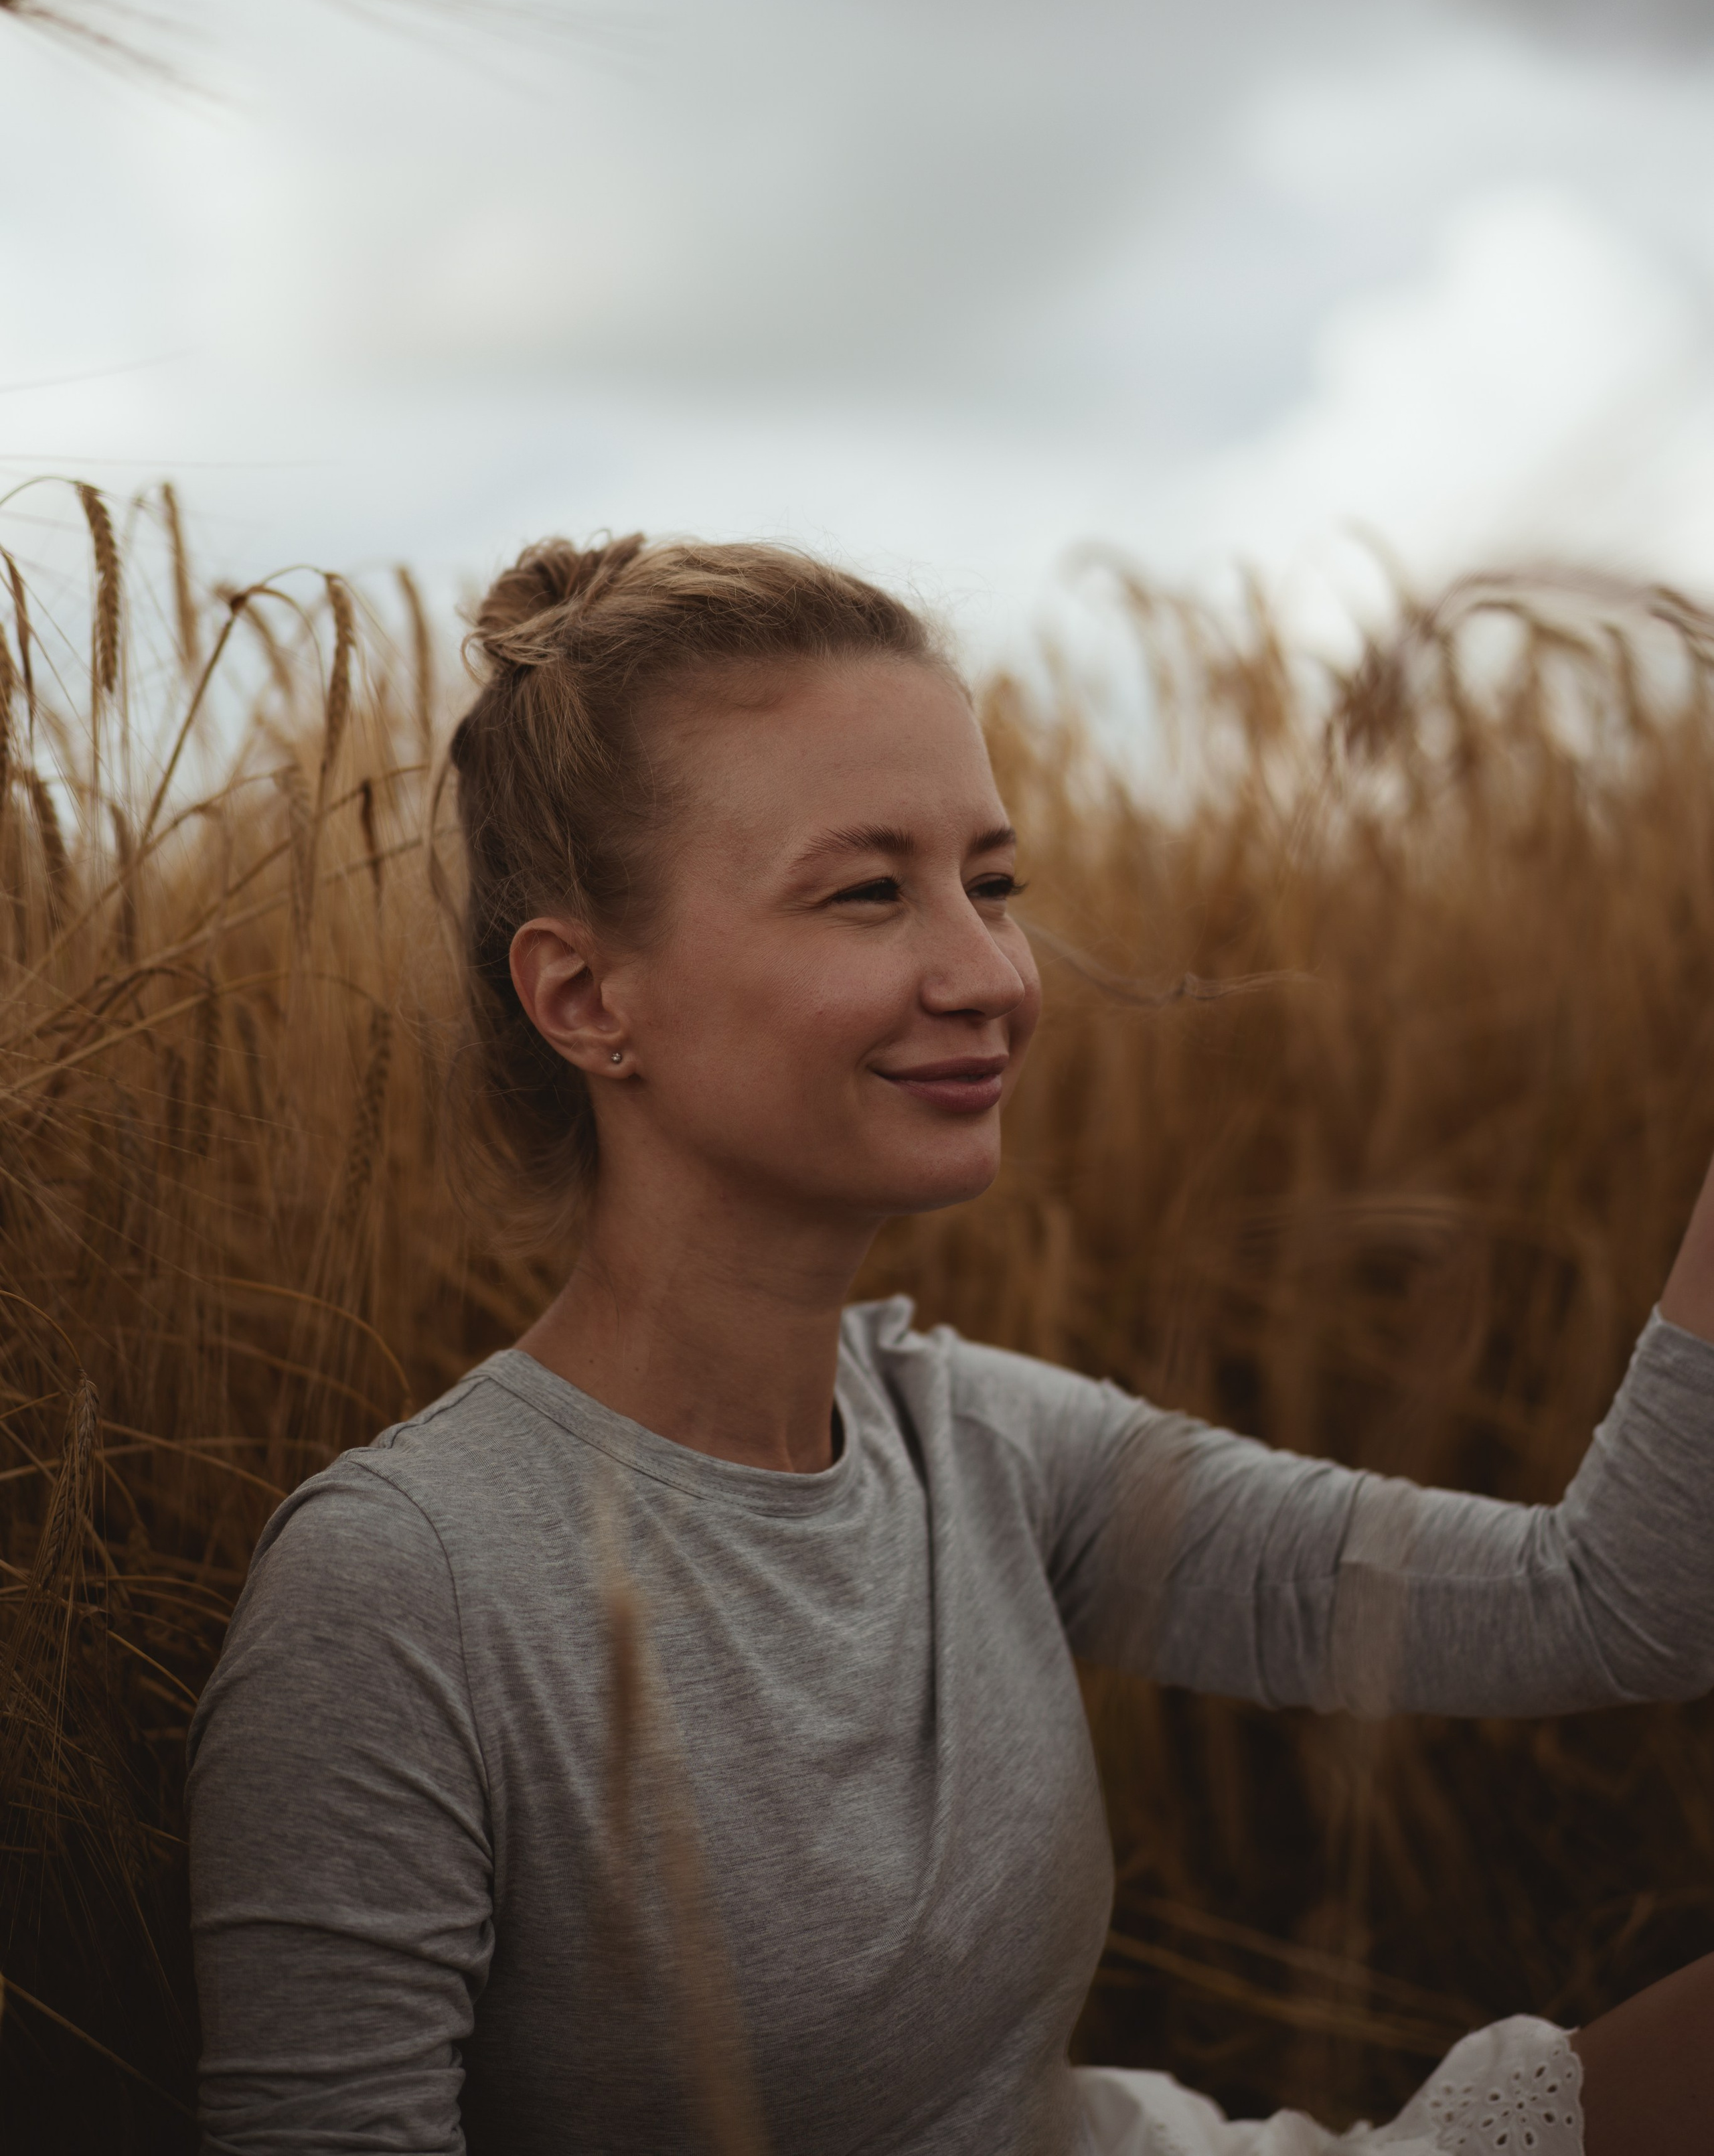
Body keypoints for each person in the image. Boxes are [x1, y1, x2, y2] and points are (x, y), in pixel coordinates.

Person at [187, 535, 1714, 2156]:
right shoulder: (403, 1590)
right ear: (582, 998)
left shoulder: (971, 1442)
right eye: (867, 892)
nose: (989, 974)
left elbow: (1609, 1608)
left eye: (991, 885)